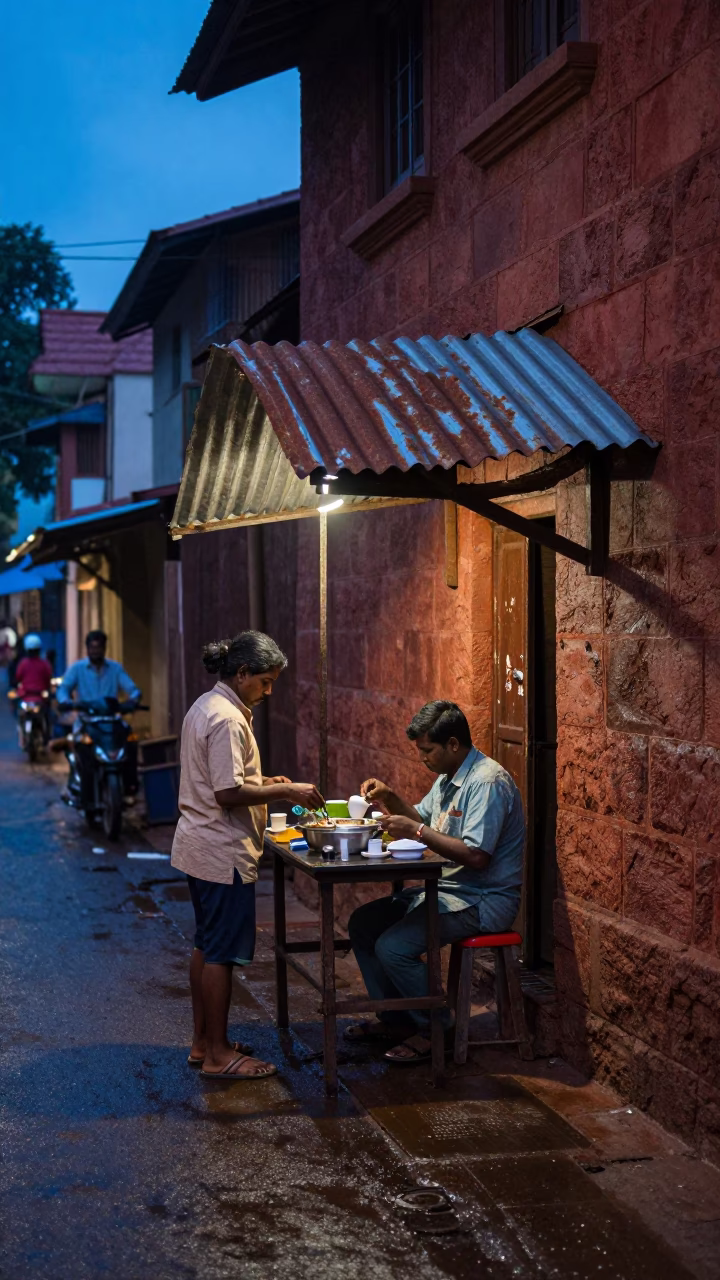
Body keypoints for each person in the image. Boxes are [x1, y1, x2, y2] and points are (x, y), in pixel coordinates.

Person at [171, 630, 324, 1081]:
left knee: (206, 945)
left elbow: (226, 778)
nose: (268, 691)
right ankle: (218, 1055)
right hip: (222, 850)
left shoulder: (206, 705)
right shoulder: (228, 719)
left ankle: (204, 1042)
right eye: (265, 681)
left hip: (198, 844)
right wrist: (286, 791)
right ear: (242, 673)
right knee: (220, 953)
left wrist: (263, 781)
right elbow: (226, 792)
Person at [346, 700, 525, 1065]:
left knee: (393, 947)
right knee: (363, 923)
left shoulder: (487, 782)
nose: (423, 758)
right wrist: (390, 797)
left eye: (427, 750)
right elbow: (421, 817)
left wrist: (418, 832)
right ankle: (397, 1020)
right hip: (447, 891)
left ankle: (437, 1029)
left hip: (482, 900)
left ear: (453, 744)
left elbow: (476, 855)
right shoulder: (448, 778)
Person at [56, 630, 141, 708]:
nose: (95, 651)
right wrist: (65, 701)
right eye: (92, 648)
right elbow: (63, 688)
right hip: (85, 717)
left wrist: (133, 701)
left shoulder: (115, 669)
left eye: (98, 648)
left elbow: (133, 689)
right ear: (87, 649)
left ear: (104, 648)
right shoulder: (77, 668)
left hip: (110, 716)